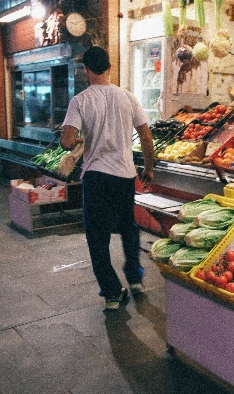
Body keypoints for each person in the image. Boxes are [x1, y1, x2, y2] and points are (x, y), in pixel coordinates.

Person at [60, 46, 154, 311]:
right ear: (110, 68)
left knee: (97, 237)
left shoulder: (80, 101)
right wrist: (149, 168)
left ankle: (113, 292)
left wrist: (82, 137)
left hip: (97, 178)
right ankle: (135, 278)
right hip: (125, 175)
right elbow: (146, 137)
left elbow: (67, 142)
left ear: (86, 70)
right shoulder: (128, 97)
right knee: (128, 227)